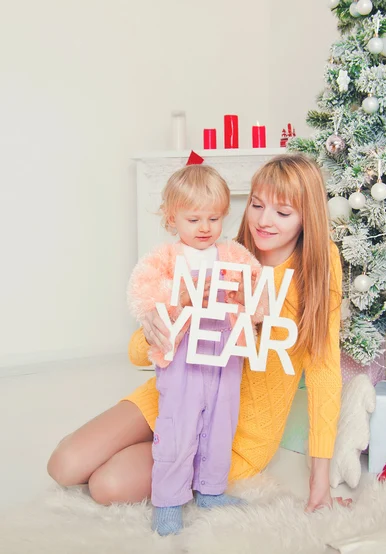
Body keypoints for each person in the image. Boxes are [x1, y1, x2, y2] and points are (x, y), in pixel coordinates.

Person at [48, 153, 345, 513]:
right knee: (63, 465)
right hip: (175, 393)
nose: (264, 221)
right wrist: (164, 319)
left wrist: (320, 484)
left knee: (107, 485)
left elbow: (324, 371)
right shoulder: (219, 254)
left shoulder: (318, 267)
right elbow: (137, 355)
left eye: (282, 213)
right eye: (256, 205)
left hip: (233, 432)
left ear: (306, 218)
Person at [127, 162, 265, 535]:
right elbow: (145, 295)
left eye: (214, 218)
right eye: (194, 219)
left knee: (222, 422)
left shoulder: (233, 254)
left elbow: (257, 287)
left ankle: (211, 489)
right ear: (172, 219)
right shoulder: (166, 259)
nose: (205, 228)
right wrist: (169, 304)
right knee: (178, 425)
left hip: (226, 349)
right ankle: (169, 499)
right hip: (184, 352)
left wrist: (252, 301)